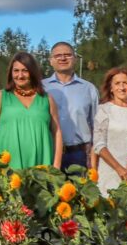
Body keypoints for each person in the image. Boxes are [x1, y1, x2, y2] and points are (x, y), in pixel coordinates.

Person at [0, 52, 63, 171]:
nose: (20, 75)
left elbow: (57, 133)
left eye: (25, 70)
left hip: (41, 165)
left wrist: (56, 166)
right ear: (11, 73)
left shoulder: (47, 99)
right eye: (16, 71)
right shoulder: (0, 96)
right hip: (7, 166)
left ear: (32, 72)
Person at [42, 42, 99, 170]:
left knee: (78, 190)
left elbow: (96, 126)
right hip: (47, 152)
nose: (62, 58)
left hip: (78, 155)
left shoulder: (89, 89)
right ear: (51, 61)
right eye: (58, 56)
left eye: (67, 55)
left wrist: (93, 159)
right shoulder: (40, 88)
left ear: (75, 59)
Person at [92, 67, 127, 195]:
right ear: (111, 88)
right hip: (110, 172)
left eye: (125, 83)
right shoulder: (103, 110)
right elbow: (99, 145)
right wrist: (118, 168)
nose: (121, 87)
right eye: (117, 83)